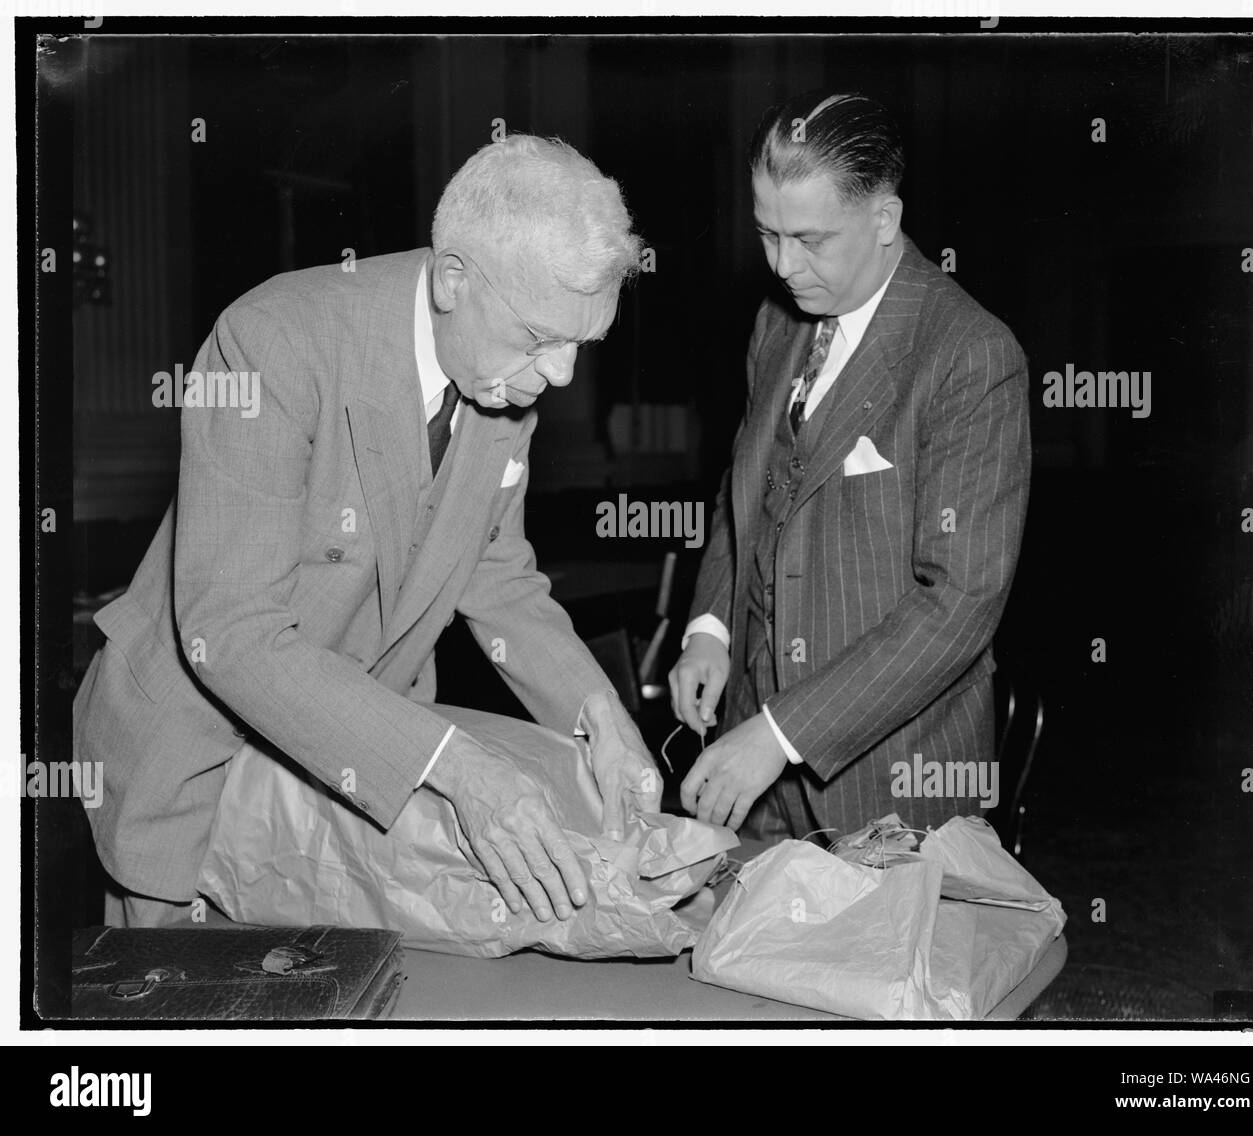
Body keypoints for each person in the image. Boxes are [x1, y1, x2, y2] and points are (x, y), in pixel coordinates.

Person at [74, 134, 661, 928]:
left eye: (580, 346)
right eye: (540, 340)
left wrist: (600, 714)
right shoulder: (274, 342)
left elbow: (495, 572)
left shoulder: (502, 375)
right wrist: (459, 767)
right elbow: (232, 632)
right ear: (454, 280)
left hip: (353, 785)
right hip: (194, 779)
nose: (559, 377)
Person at [669, 92, 1031, 840]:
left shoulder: (970, 355)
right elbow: (747, 494)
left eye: (809, 239)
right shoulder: (776, 323)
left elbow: (958, 604)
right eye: (767, 233)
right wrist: (709, 627)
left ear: (885, 220)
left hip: (892, 782)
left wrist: (781, 734)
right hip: (756, 774)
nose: (781, 265)